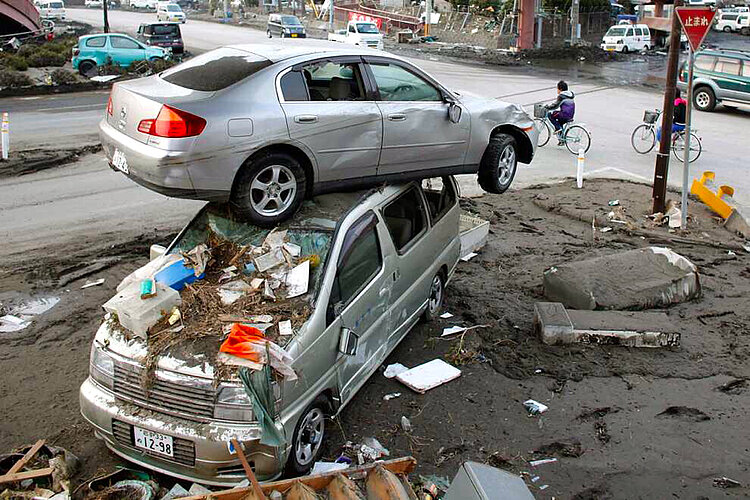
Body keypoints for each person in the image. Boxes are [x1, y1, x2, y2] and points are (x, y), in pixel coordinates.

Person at [544, 81, 575, 146]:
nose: (557, 90)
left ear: (560, 89)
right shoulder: (570, 95)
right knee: (559, 123)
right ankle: (561, 140)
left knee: (550, 115)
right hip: (570, 115)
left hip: (564, 114)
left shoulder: (561, 96)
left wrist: (547, 107)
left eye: (557, 88)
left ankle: (558, 128)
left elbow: (555, 106)